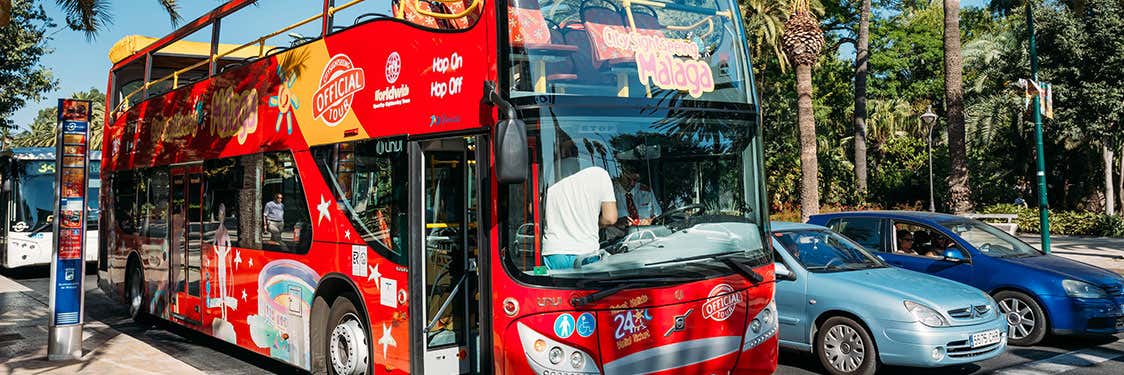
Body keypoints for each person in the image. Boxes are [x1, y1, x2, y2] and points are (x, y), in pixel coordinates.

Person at [541, 139, 618, 270]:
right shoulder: (600, 174)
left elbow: (534, 209)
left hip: (554, 250)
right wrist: (595, 224)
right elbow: (610, 218)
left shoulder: (549, 171)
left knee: (555, 289)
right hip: (587, 251)